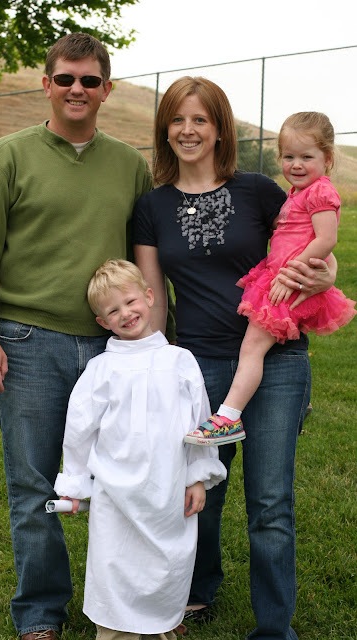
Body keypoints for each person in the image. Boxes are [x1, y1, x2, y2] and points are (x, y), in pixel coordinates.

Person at [0, 33, 152, 640]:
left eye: (89, 80)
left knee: (127, 481)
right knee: (35, 485)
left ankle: (129, 605)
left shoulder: (129, 165)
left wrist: (158, 341)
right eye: (65, 78)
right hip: (25, 343)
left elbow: (148, 257)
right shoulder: (7, 157)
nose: (76, 89)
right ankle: (41, 613)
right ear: (47, 84)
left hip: (111, 347)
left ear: (106, 90)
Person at [132, 77, 338, 640]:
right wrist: (153, 364)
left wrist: (328, 273)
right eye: (177, 120)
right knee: (202, 489)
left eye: (200, 119)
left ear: (220, 128)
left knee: (270, 501)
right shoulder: (152, 206)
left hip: (277, 360)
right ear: (165, 129)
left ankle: (274, 627)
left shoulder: (259, 191)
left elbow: (307, 246)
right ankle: (196, 594)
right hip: (197, 364)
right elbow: (154, 299)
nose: (188, 130)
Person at [53, 259, 227, 640]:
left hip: (168, 487)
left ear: (149, 296)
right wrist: (75, 484)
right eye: (113, 311)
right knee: (114, 562)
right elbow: (79, 429)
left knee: (166, 563)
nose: (125, 314)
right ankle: (115, 632)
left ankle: (159, 628)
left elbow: (200, 422)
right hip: (115, 494)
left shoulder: (179, 361)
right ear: (102, 322)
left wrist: (198, 476)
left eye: (130, 301)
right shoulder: (100, 369)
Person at [185, 111, 355, 447]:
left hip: (288, 282)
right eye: (288, 156)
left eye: (307, 157)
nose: (296, 164)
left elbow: (326, 240)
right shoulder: (298, 192)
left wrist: (290, 274)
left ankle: (228, 417)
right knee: (254, 347)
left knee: (251, 347)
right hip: (278, 276)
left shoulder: (320, 192)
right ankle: (273, 406)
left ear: (327, 158)